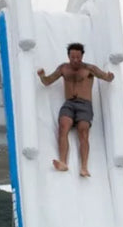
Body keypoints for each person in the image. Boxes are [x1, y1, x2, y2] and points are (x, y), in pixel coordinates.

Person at [37, 42, 115, 177]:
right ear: (68, 56)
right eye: (73, 57)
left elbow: (105, 77)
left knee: (83, 132)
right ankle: (63, 162)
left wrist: (110, 77)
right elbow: (47, 82)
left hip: (85, 105)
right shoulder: (63, 68)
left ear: (82, 56)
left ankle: (84, 167)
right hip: (69, 103)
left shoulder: (90, 69)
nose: (75, 60)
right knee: (63, 127)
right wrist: (42, 76)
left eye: (78, 58)